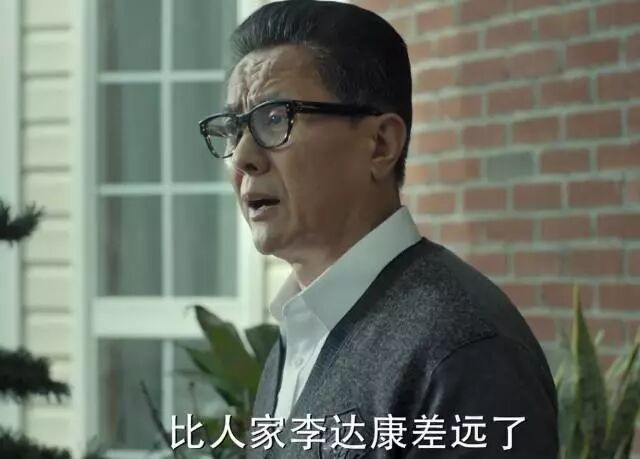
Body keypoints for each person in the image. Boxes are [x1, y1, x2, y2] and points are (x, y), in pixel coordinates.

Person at [197, 1, 558, 457]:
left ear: (380, 144)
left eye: (275, 118)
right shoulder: (299, 330)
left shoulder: (465, 351)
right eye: (233, 129)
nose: (244, 157)